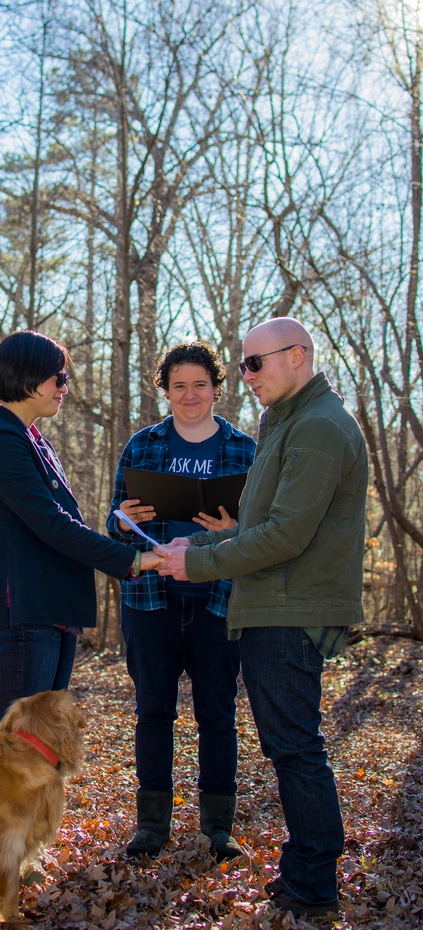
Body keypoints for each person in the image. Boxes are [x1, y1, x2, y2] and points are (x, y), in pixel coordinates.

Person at [155, 317, 367, 920]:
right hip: (272, 602)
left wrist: (197, 562)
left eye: (255, 363)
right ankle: (305, 871)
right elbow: (271, 526)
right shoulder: (288, 422)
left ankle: (315, 889)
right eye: (243, 364)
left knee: (296, 749)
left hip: (291, 610)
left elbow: (287, 537)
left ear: (296, 356)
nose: (245, 376)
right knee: (288, 746)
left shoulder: (321, 428)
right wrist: (225, 538)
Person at [106, 341, 256, 860]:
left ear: (216, 387)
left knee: (217, 716)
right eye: (178, 386)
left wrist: (237, 529)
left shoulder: (244, 450)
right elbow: (113, 527)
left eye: (199, 384)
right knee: (153, 713)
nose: (189, 395)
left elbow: (264, 533)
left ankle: (218, 829)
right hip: (151, 603)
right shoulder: (142, 445)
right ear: (164, 391)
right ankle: (151, 828)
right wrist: (125, 517)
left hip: (218, 601)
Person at [0, 329, 160, 725]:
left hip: (52, 609)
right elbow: (52, 525)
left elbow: (60, 522)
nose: (64, 389)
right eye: (59, 378)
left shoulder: (33, 440)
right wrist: (135, 560)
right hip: (24, 610)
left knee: (41, 747)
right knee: (14, 752)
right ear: (28, 378)